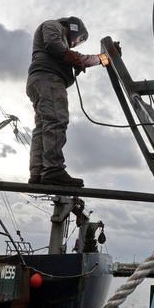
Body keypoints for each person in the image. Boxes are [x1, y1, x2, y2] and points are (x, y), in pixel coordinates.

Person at [26, 16, 110, 187]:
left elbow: (84, 59)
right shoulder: (53, 25)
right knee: (56, 120)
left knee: (43, 127)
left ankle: (38, 172)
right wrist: (73, 60)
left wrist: (107, 58)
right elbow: (53, 44)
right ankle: (53, 171)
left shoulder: (64, 44)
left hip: (41, 80)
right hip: (48, 78)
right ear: (73, 28)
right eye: (78, 39)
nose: (75, 44)